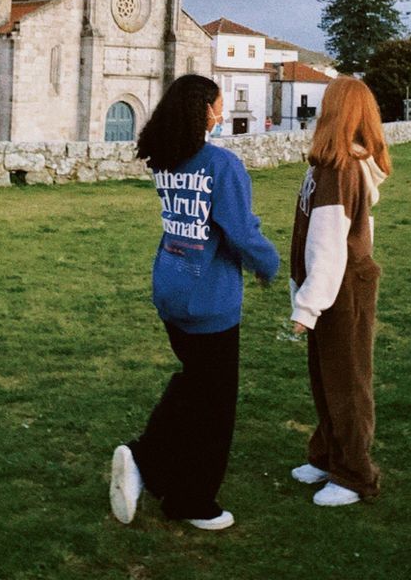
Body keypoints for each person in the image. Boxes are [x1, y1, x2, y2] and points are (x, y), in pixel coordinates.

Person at [110, 74, 280, 531]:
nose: (223, 113)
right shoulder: (222, 166)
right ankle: (189, 497)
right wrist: (270, 264)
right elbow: (240, 232)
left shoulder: (166, 158)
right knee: (216, 407)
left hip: (172, 286)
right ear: (204, 109)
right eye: (219, 105)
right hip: (209, 297)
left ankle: (154, 465)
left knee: (195, 382)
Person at [289, 76, 390, 507]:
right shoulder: (327, 167)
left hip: (342, 289)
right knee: (326, 376)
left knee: (347, 381)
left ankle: (354, 475)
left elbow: (330, 244)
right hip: (333, 287)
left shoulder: (340, 170)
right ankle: (329, 454)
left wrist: (307, 306)